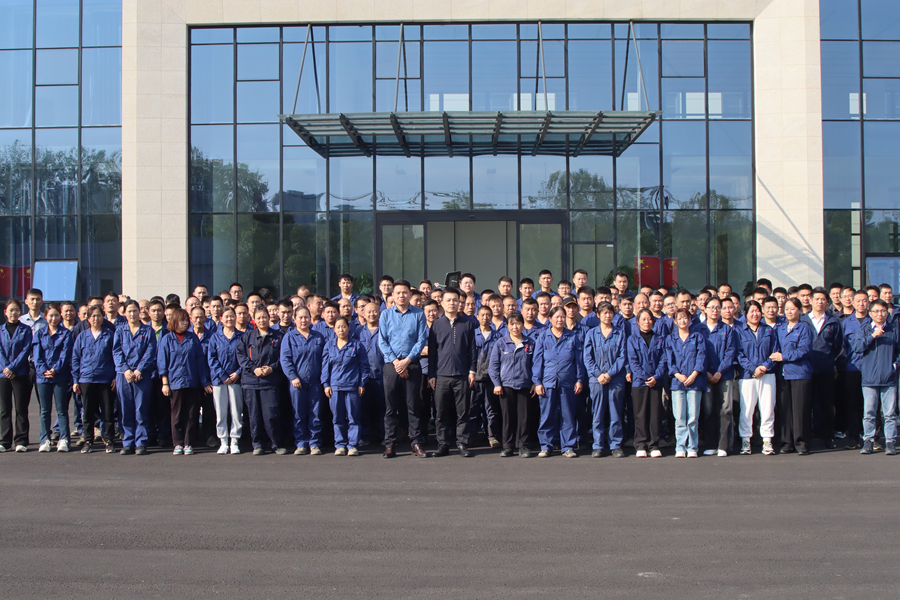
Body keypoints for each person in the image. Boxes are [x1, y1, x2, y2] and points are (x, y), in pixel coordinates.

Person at [378, 279, 429, 458]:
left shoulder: (419, 314)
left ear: (410, 294)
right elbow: (382, 341)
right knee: (391, 407)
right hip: (391, 365)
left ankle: (416, 442)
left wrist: (406, 362)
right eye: (398, 292)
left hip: (412, 364)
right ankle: (390, 443)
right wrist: (396, 363)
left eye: (404, 292)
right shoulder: (385, 315)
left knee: (413, 405)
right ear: (392, 295)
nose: (401, 295)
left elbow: (421, 341)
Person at [428, 287, 477, 458]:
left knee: (463, 412)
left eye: (455, 300)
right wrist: (432, 374)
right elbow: (432, 353)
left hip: (462, 375)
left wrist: (472, 370)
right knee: (441, 413)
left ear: (459, 303)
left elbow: (472, 350)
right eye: (448, 300)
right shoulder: (436, 325)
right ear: (442, 302)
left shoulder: (468, 324)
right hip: (441, 376)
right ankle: (443, 444)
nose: (452, 303)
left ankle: (462, 443)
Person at [157, 307, 212, 456]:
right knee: (177, 414)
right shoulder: (167, 339)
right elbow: (162, 362)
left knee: (192, 414)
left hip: (192, 382)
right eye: (182, 321)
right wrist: (165, 383)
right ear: (175, 321)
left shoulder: (192, 338)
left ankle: (189, 443)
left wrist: (204, 381)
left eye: (186, 321)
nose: (185, 323)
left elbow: (200, 361)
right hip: (175, 382)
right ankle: (178, 443)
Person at [533, 306, 585, 458]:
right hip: (548, 382)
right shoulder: (543, 337)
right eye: (557, 317)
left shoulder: (572, 336)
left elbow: (578, 361)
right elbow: (537, 361)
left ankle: (568, 446)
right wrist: (537, 382)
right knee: (547, 414)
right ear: (550, 319)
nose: (560, 319)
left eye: (563, 316)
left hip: (568, 381)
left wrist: (579, 380)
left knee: (568, 415)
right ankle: (546, 446)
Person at [236, 306, 287, 456]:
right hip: (251, 382)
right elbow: (241, 356)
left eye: (264, 317)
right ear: (254, 319)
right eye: (258, 318)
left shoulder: (278, 336)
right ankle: (258, 444)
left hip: (271, 381)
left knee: (272, 414)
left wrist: (272, 368)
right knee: (254, 416)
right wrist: (254, 369)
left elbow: (284, 357)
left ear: (269, 317)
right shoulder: (247, 337)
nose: (262, 320)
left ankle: (276, 444)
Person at [851, 299, 899, 455]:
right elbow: (857, 347)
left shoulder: (893, 330)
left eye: (883, 311)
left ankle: (890, 442)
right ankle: (868, 441)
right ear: (870, 313)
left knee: (889, 414)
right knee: (869, 413)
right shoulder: (865, 329)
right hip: (869, 379)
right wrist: (872, 336)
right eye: (876, 311)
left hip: (889, 378)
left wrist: (895, 365)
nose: (880, 314)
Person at [112, 300, 158, 455]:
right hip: (124, 376)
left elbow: (150, 352)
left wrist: (139, 370)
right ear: (125, 313)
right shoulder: (120, 330)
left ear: (140, 312)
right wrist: (125, 370)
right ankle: (128, 442)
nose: (132, 314)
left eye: (135, 311)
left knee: (141, 409)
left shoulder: (148, 331)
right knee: (126, 409)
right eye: (129, 311)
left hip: (142, 376)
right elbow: (116, 352)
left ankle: (141, 442)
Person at [489, 312, 536, 457]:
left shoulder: (530, 343)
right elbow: (493, 366)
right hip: (506, 385)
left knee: (524, 417)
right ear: (507, 326)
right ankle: (507, 446)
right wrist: (497, 383)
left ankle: (523, 446)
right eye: (512, 324)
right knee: (507, 417)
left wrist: (535, 382)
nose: (515, 327)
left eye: (518, 323)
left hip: (524, 384)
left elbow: (535, 364)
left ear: (523, 325)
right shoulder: (501, 343)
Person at [280, 306, 326, 456]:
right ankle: (301, 443)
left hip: (315, 382)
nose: (304, 320)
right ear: (295, 319)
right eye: (300, 317)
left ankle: (314, 443)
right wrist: (293, 377)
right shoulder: (289, 337)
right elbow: (285, 359)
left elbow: (325, 359)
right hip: (297, 383)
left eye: (306, 317)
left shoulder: (318, 336)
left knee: (315, 414)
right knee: (299, 414)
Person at [583, 302, 628, 458]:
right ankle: (598, 445)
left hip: (615, 379)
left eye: (610, 313)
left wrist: (610, 374)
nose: (607, 316)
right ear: (598, 315)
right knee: (597, 413)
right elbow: (587, 357)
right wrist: (598, 374)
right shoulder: (591, 333)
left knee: (615, 412)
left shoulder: (620, 333)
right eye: (604, 313)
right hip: (597, 380)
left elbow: (622, 357)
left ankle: (616, 444)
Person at [735, 301, 778, 456]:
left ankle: (767, 441)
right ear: (745, 313)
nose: (755, 314)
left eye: (757, 311)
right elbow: (738, 354)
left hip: (767, 375)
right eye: (751, 311)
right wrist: (753, 368)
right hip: (747, 376)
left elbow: (775, 352)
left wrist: (764, 367)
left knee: (767, 409)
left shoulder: (769, 330)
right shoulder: (739, 331)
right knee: (746, 410)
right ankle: (746, 441)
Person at [72, 306, 117, 454]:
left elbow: (116, 356)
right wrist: (76, 380)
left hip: (105, 379)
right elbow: (75, 359)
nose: (96, 319)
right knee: (87, 412)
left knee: (108, 411)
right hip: (86, 379)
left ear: (103, 317)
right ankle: (88, 441)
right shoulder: (82, 336)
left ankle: (109, 440)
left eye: (98, 316)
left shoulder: (110, 335)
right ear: (88, 318)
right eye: (93, 316)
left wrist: (115, 377)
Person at [321, 316, 369, 456]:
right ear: (334, 330)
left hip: (352, 387)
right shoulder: (329, 345)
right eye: (338, 327)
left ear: (348, 328)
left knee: (353, 417)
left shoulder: (357, 345)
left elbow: (364, 366)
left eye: (343, 326)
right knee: (337, 418)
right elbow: (325, 367)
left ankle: (353, 445)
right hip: (335, 387)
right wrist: (326, 384)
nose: (341, 329)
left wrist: (362, 383)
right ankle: (340, 444)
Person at [772, 298, 814, 455]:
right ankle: (787, 442)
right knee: (785, 410)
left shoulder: (804, 328)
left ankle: (801, 442)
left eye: (793, 309)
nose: (790, 312)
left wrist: (784, 357)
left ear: (800, 311)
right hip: (783, 375)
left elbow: (804, 350)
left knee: (800, 410)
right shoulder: (780, 328)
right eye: (787, 309)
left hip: (800, 373)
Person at [666, 308, 707, 458]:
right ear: (675, 321)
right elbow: (669, 360)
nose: (682, 321)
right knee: (680, 417)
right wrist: (678, 375)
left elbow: (701, 357)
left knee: (693, 417)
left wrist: (694, 374)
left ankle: (692, 447)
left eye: (685, 318)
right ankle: (680, 446)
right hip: (677, 383)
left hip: (694, 382)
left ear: (690, 320)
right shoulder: (670, 339)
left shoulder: (697, 337)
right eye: (679, 318)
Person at [699, 297, 736, 457]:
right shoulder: (698, 329)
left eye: (717, 307)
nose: (715, 310)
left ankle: (724, 445)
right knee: (708, 410)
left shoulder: (727, 329)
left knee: (725, 410)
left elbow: (730, 352)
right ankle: (711, 444)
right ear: (705, 309)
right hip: (705, 376)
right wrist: (706, 372)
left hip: (724, 375)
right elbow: (696, 353)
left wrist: (720, 372)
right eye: (711, 307)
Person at [627, 309, 667, 458]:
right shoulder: (632, 339)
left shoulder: (660, 338)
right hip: (639, 382)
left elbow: (664, 360)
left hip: (656, 382)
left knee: (655, 414)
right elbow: (633, 362)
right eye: (643, 319)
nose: (647, 322)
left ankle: (654, 444)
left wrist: (656, 377)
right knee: (640, 414)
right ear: (637, 322)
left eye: (649, 319)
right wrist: (645, 377)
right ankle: (641, 444)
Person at [33, 304, 73, 452]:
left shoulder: (66, 333)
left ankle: (64, 439)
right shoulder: (39, 334)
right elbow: (37, 356)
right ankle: (44, 440)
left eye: (56, 315)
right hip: (43, 377)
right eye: (51, 315)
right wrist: (44, 370)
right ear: (45, 317)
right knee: (45, 410)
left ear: (60, 316)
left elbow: (65, 354)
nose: (54, 318)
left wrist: (55, 369)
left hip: (60, 376)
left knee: (61, 410)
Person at [207, 306, 245, 455]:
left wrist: (237, 373)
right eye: (226, 316)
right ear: (221, 319)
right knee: (221, 412)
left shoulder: (242, 336)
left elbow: (245, 358)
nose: (229, 319)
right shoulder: (214, 337)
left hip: (236, 379)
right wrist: (222, 376)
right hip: (219, 381)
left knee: (236, 412)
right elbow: (212, 359)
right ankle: (223, 441)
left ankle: (234, 441)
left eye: (231, 316)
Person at [840, 290, 870, 449]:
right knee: (852, 403)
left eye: (864, 301)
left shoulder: (873, 320)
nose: (861, 304)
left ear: (869, 302)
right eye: (858, 301)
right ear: (853, 302)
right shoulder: (847, 322)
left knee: (870, 404)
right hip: (852, 367)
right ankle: (853, 437)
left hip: (871, 369)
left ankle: (871, 436)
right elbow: (842, 347)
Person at [356, 301, 386, 446]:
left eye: (374, 311)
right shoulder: (357, 332)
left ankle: (384, 436)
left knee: (383, 408)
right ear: (363, 313)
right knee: (364, 409)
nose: (372, 314)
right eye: (369, 311)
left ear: (379, 313)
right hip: (364, 377)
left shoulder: (385, 330)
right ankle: (365, 436)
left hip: (382, 376)